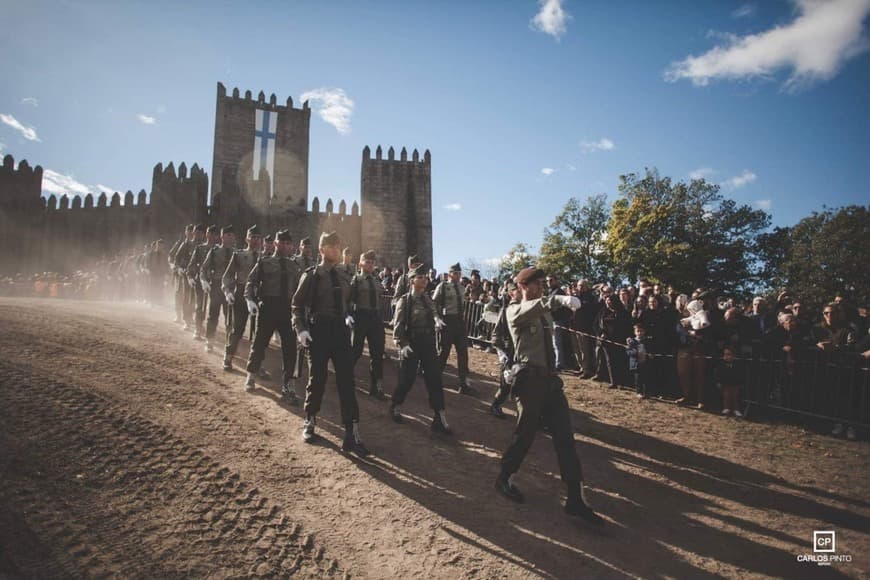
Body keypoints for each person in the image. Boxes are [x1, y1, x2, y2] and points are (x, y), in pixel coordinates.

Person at [495, 267, 603, 527]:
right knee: (525, 434)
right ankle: (504, 476)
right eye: (537, 283)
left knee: (565, 436)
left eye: (543, 283)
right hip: (530, 381)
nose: (542, 286)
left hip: (550, 381)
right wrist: (560, 299)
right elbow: (541, 305)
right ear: (523, 287)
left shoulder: (543, 315)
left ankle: (575, 497)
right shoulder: (515, 311)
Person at [292, 231, 368, 455]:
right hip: (319, 331)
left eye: (338, 245)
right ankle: (310, 420)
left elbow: (349, 301)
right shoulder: (312, 275)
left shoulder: (346, 276)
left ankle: (351, 432)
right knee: (318, 379)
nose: (335, 249)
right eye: (330, 246)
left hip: (341, 332)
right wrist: (301, 330)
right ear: (321, 250)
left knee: (347, 380)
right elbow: (296, 306)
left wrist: (348, 315)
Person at [389, 264, 452, 433]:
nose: (424, 280)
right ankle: (395, 404)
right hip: (411, 343)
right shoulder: (405, 301)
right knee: (407, 379)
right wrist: (401, 343)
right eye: (420, 277)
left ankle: (439, 416)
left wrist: (437, 319)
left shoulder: (427, 299)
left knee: (434, 378)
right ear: (411, 280)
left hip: (428, 343)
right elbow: (398, 325)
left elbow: (434, 313)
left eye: (425, 277)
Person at [243, 230, 301, 403]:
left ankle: (288, 384)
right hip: (268, 307)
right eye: (281, 243)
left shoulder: (294, 266)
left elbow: (299, 290)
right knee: (260, 343)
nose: (285, 246)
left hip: (287, 309)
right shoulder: (264, 262)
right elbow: (250, 282)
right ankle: (251, 376)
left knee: (290, 348)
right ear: (275, 244)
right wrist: (250, 300)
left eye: (288, 243)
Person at [221, 225, 264, 371]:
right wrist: (227, 291)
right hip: (241, 294)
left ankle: (256, 364)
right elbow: (227, 275)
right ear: (247, 239)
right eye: (253, 237)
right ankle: (228, 356)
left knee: (259, 333)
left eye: (258, 237)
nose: (256, 240)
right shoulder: (238, 255)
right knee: (237, 328)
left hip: (259, 296)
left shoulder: (266, 258)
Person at [433, 263, 476, 395]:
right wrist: (436, 318)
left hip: (459, 323)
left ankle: (463, 383)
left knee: (463, 353)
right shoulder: (443, 286)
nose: (458, 275)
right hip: (447, 321)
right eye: (455, 273)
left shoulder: (462, 288)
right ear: (450, 274)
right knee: (443, 352)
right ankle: (435, 379)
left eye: (459, 273)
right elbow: (433, 304)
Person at [350, 249, 387, 399]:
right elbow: (350, 300)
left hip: (376, 319)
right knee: (355, 351)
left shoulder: (377, 280)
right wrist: (350, 317)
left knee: (377, 353)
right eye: (367, 262)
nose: (370, 264)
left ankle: (376, 386)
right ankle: (346, 379)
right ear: (361, 263)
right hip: (361, 317)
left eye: (372, 262)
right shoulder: (356, 280)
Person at [200, 225, 236, 353]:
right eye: (228, 235)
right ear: (222, 237)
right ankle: (209, 340)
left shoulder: (237, 253)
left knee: (230, 317)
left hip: (231, 289)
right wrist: (204, 281)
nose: (231, 237)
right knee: (213, 314)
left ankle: (229, 343)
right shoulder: (215, 251)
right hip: (216, 285)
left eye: (232, 235)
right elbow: (203, 269)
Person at [490, 279, 520, 418]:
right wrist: (501, 354)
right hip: (510, 352)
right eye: (516, 290)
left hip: (525, 353)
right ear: (510, 293)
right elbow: (496, 335)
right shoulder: (506, 311)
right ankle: (496, 405)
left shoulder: (530, 308)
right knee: (506, 385)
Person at [186, 224, 215, 340]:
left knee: (212, 308)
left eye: (214, 234)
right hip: (201, 281)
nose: (212, 236)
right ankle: (198, 328)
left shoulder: (218, 249)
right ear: (206, 234)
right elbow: (191, 265)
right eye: (210, 233)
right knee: (200, 305)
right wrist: (191, 277)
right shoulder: (200, 248)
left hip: (215, 282)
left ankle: (210, 331)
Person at [171, 224, 197, 330]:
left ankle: (190, 317)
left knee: (193, 297)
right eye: (189, 231)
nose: (191, 233)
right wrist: (177, 268)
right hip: (182, 274)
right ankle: (181, 316)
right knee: (181, 295)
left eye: (192, 231)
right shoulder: (181, 244)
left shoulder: (197, 245)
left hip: (193, 274)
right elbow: (173, 257)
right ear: (185, 232)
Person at [715, 345, 744, 417]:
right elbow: (718, 374)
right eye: (725, 354)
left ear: (734, 356)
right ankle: (726, 408)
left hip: (735, 384)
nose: (726, 356)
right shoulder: (721, 365)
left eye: (729, 354)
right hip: (725, 384)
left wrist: (740, 383)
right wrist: (718, 382)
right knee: (726, 396)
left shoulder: (738, 365)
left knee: (735, 397)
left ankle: (736, 409)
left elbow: (740, 374)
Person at [626, 323, 652, 399]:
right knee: (638, 379)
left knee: (646, 378)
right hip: (636, 364)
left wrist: (650, 355)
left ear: (644, 331)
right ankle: (639, 392)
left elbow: (650, 350)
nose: (640, 333)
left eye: (641, 331)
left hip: (645, 363)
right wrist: (635, 353)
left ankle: (646, 392)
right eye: (638, 331)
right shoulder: (632, 342)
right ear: (635, 332)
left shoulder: (647, 341)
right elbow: (628, 352)